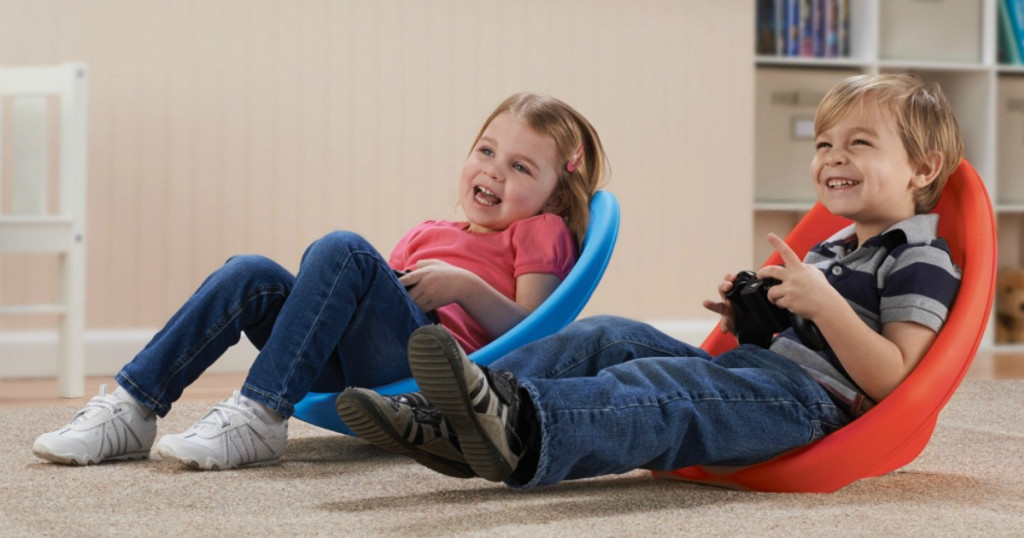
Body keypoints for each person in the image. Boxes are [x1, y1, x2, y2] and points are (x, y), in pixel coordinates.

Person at [336, 73, 965, 488]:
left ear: (922, 168)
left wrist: (824, 305)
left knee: (663, 388)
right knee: (609, 335)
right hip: (758, 374)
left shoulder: (920, 257)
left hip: (811, 409)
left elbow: (895, 381)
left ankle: (523, 429)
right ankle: (445, 413)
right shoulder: (833, 247)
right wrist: (752, 316)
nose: (833, 157)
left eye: (859, 143)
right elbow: (792, 340)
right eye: (824, 144)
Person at [32, 92, 609, 470]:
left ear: (556, 196)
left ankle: (260, 416)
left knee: (343, 248)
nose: (492, 170)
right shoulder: (430, 230)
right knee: (250, 273)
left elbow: (537, 331)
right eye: (486, 150)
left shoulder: (539, 230)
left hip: (435, 367)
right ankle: (134, 407)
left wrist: (463, 287)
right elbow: (366, 294)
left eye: (520, 167)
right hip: (363, 358)